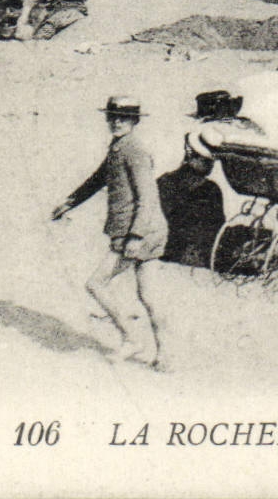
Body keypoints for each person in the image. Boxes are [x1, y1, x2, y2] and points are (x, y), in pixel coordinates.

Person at [51, 96, 167, 367]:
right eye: (112, 117)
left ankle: (132, 339)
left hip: (138, 233)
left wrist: (136, 237)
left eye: (123, 118)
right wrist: (70, 202)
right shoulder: (119, 147)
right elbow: (98, 178)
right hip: (143, 231)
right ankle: (165, 355)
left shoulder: (134, 150)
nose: (116, 122)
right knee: (148, 297)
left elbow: (147, 196)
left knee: (96, 283)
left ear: (135, 121)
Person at [159, 92, 231, 268]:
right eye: (209, 160)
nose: (212, 165)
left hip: (167, 253)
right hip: (194, 259)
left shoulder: (164, 181)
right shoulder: (209, 189)